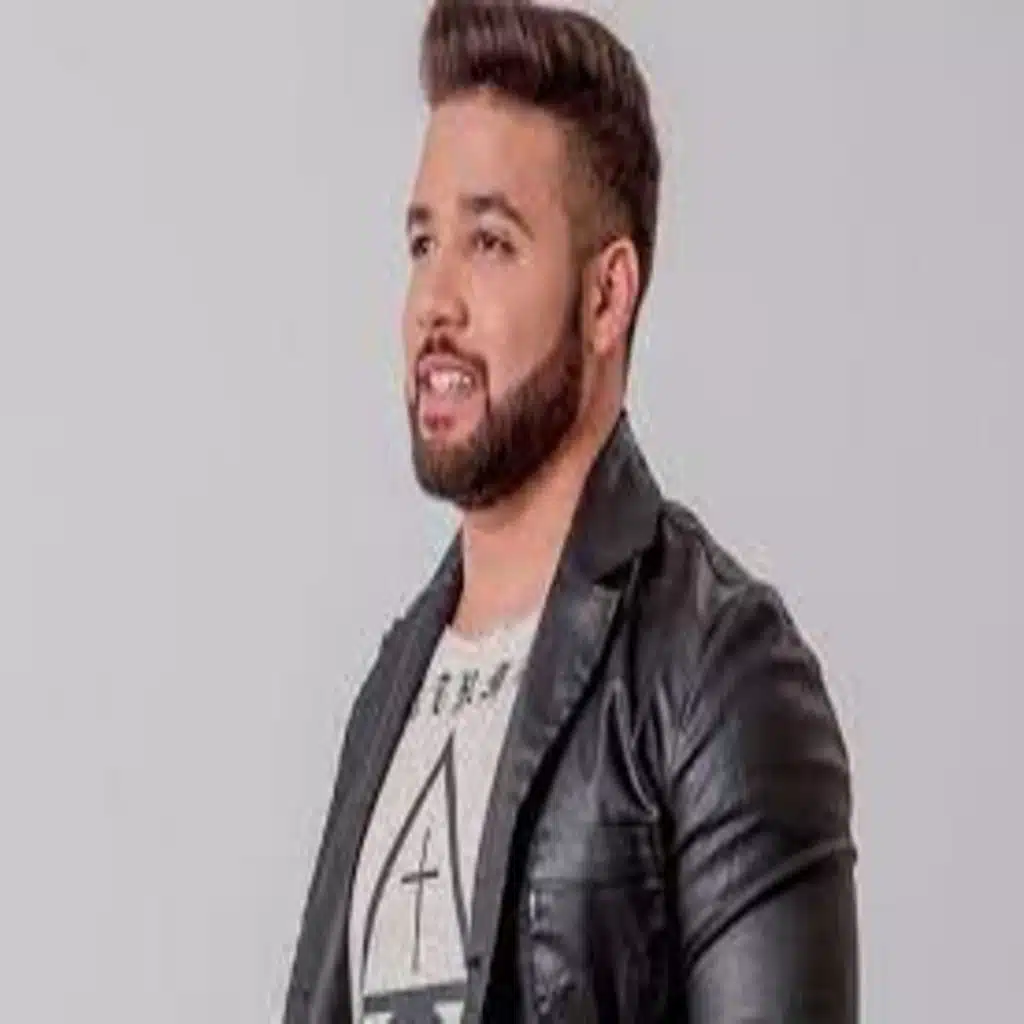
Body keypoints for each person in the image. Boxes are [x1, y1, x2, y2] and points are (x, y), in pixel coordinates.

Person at [284, 1, 858, 1020]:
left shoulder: (717, 670)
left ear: (606, 296)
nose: (434, 301)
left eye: (489, 241)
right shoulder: (395, 684)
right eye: (421, 242)